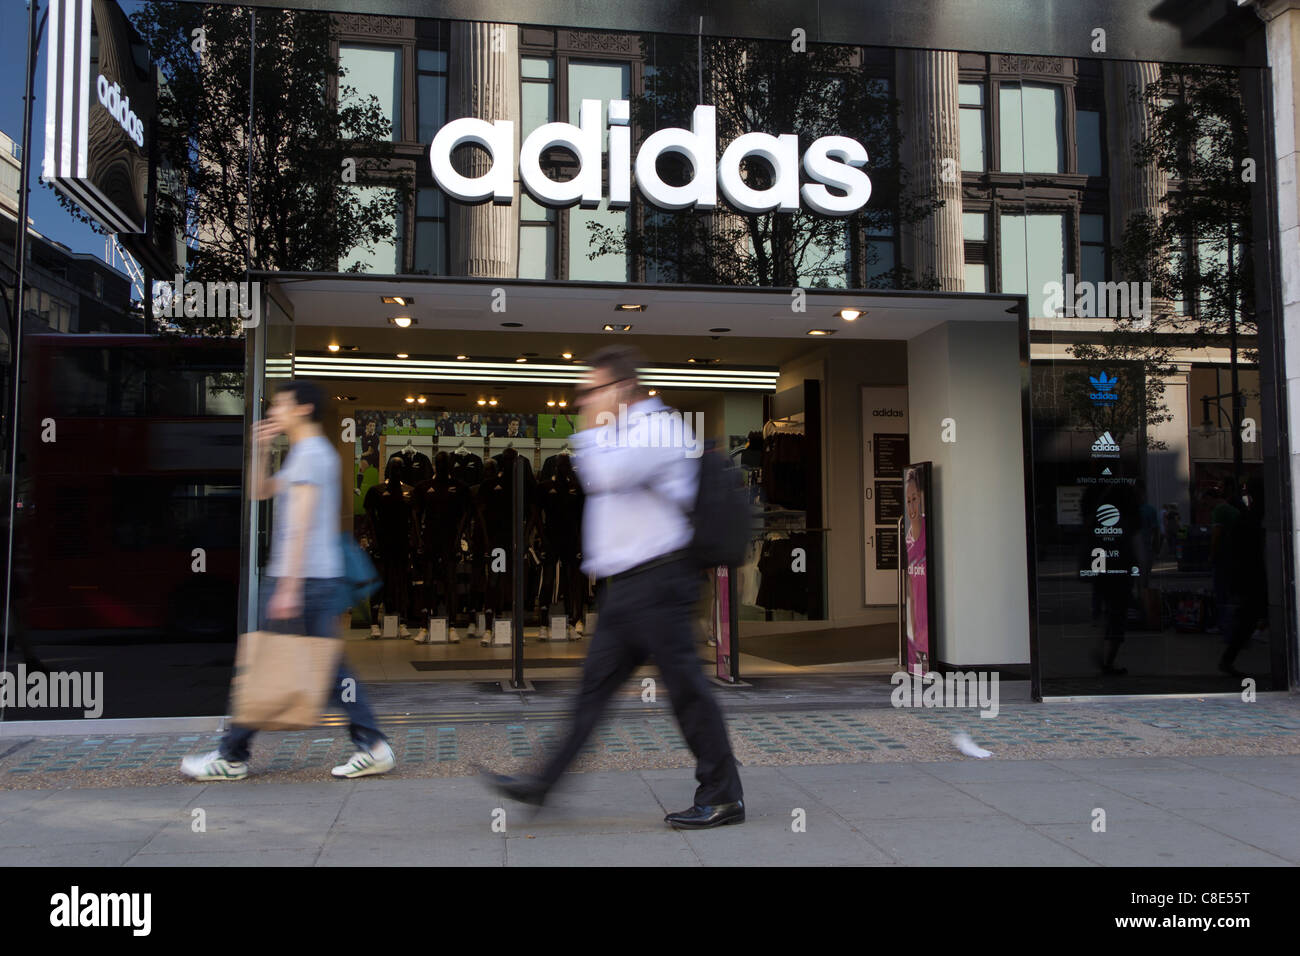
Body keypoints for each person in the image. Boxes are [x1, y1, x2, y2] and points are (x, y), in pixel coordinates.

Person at [485, 346, 745, 829]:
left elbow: (604, 475)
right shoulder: (622, 432)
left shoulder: (657, 427)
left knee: (687, 691)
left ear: (622, 388)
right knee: (591, 694)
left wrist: (590, 429)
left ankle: (724, 794)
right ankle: (541, 783)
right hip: (627, 589)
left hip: (662, 583)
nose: (583, 400)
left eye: (591, 390)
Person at [181, 381, 395, 781]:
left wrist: (287, 589)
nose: (273, 411)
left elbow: (300, 525)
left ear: (300, 409)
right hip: (312, 579)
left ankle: (232, 754)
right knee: (331, 670)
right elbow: (260, 492)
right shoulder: (305, 454)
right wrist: (260, 448)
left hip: (304, 580)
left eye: (279, 404)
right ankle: (374, 745)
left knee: (266, 665)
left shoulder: (312, 455)